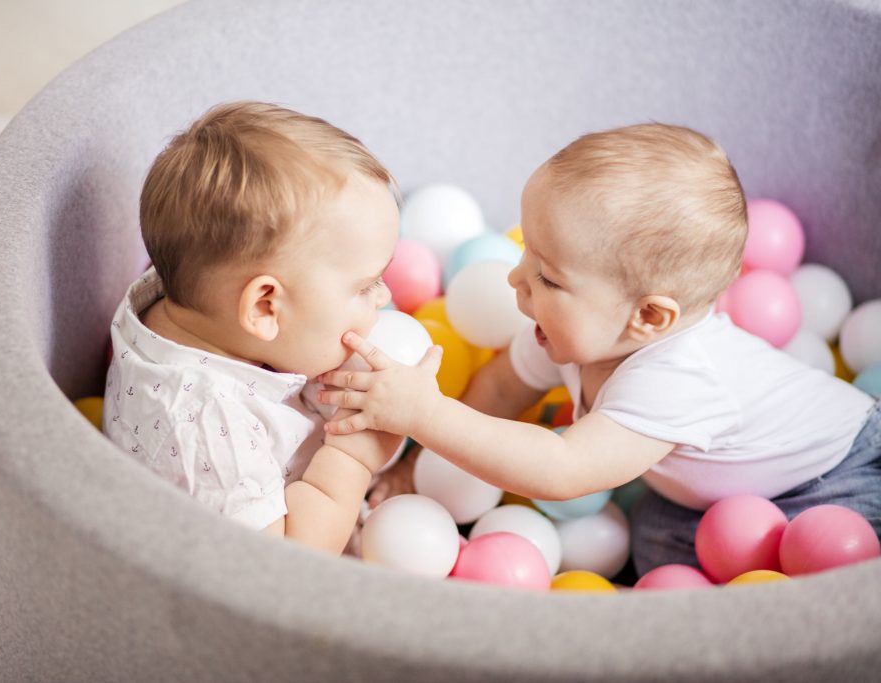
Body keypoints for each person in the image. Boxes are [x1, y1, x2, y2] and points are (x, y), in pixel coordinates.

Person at [316, 123, 880, 574]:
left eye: (548, 277)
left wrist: (424, 412)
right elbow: (500, 388)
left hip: (844, 471)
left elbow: (562, 470)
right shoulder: (570, 330)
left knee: (830, 569)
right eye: (527, 255)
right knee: (657, 548)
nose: (516, 280)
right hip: (719, 498)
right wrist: (417, 467)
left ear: (648, 318)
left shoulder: (676, 377)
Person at [103, 101, 402, 555]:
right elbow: (283, 573)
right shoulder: (209, 425)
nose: (384, 297)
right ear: (264, 307)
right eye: (365, 286)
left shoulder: (188, 302)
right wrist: (354, 454)